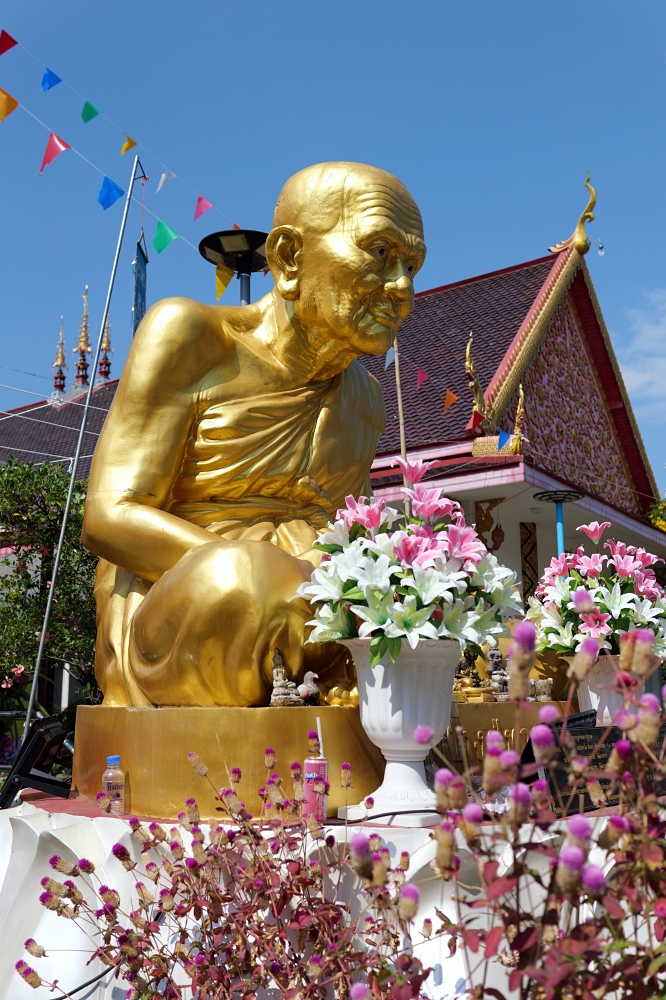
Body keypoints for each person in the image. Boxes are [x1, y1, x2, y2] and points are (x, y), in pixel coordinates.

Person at [82, 161, 426, 707]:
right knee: (244, 582)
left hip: (313, 613)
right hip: (190, 610)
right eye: (381, 253)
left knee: (483, 622)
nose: (403, 288)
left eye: (412, 264)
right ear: (289, 258)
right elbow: (109, 517)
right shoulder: (191, 335)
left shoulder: (364, 398)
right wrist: (283, 580)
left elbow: (342, 534)